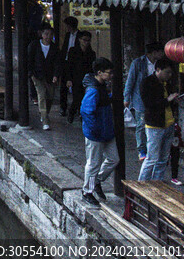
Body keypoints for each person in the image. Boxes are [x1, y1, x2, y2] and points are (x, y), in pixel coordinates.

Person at [81, 58, 118, 206]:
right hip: (96, 133)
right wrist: (95, 129)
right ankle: (87, 191)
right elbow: (86, 111)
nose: (111, 75)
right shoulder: (93, 90)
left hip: (106, 131)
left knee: (114, 159)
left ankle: (96, 181)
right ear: (99, 73)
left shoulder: (100, 87)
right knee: (93, 164)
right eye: (109, 73)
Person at [139, 58, 181, 181]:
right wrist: (167, 100)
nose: (169, 75)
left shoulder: (168, 83)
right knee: (152, 158)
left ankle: (157, 184)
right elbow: (149, 104)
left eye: (170, 72)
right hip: (155, 126)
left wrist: (174, 101)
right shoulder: (147, 83)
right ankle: (142, 185)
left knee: (163, 159)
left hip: (168, 124)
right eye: (167, 72)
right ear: (158, 70)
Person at [125, 43, 165, 162]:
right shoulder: (138, 63)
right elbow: (130, 81)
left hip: (156, 98)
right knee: (141, 125)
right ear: (153, 52)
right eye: (160, 52)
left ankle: (152, 147)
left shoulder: (159, 64)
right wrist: (126, 98)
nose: (162, 54)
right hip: (140, 99)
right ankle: (142, 149)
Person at [28, 24, 60, 130]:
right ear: (42, 34)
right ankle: (45, 120)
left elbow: (57, 63)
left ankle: (44, 113)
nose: (48, 37)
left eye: (51, 34)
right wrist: (31, 73)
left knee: (50, 96)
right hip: (37, 75)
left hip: (50, 76)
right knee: (41, 95)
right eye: (46, 34)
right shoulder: (34, 45)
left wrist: (56, 75)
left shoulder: (55, 48)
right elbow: (29, 59)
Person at [62, 30, 96, 123]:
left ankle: (82, 115)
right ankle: (72, 112)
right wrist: (69, 79)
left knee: (85, 98)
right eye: (84, 40)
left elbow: (93, 68)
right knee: (77, 98)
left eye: (88, 40)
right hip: (75, 78)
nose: (86, 42)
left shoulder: (91, 53)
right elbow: (69, 66)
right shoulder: (73, 51)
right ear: (79, 40)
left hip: (87, 79)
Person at [59, 16, 81, 116]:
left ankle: (75, 107)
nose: (66, 28)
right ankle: (63, 107)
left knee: (76, 86)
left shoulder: (80, 35)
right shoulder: (68, 35)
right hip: (65, 62)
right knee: (63, 86)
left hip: (75, 63)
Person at [170, 117, 184, 186]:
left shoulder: (176, 125)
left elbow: (178, 134)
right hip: (166, 139)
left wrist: (181, 144)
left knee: (175, 159)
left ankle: (174, 177)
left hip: (175, 142)